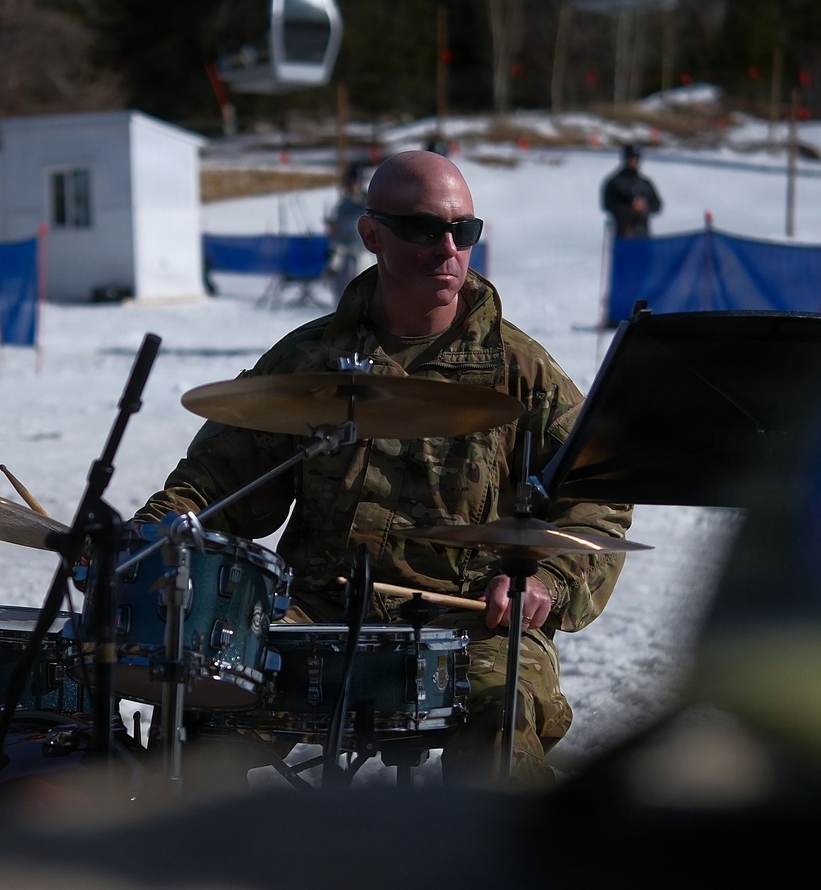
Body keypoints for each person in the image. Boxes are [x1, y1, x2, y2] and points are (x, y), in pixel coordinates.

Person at [133, 149, 633, 787]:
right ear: (371, 234)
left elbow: (599, 495)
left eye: (464, 231)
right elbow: (213, 485)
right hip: (316, 608)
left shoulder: (521, 371)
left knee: (501, 713)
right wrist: (154, 534)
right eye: (424, 230)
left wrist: (549, 581)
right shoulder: (310, 360)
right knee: (203, 689)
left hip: (469, 617)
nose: (448, 249)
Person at [323, 164, 374, 305]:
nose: (353, 185)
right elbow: (336, 231)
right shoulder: (342, 205)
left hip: (362, 255)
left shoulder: (367, 202)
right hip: (343, 253)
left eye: (355, 181)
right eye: (351, 182)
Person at [601, 144, 662, 238]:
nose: (634, 161)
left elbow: (657, 204)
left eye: (637, 159)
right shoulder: (615, 182)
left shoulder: (645, 183)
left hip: (643, 234)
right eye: (632, 158)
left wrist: (645, 206)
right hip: (623, 233)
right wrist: (630, 209)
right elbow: (608, 205)